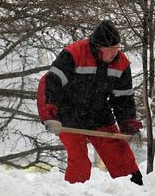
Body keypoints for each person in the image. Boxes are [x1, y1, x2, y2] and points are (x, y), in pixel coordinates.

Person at [37, 20, 143, 185]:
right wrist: (49, 115)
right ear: (97, 47)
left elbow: (123, 99)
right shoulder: (73, 54)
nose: (115, 53)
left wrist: (129, 126)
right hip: (68, 116)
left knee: (121, 156)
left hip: (98, 115)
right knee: (80, 161)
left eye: (116, 48)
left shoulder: (121, 64)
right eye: (110, 49)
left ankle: (135, 193)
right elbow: (50, 83)